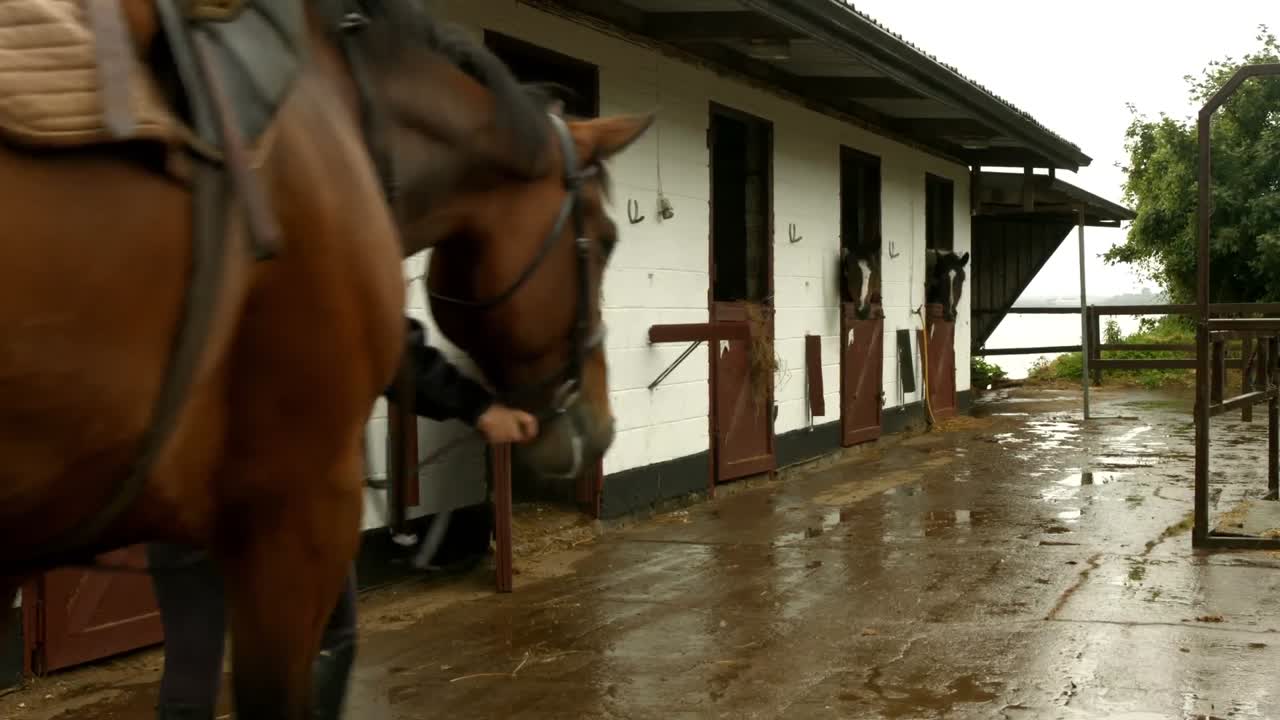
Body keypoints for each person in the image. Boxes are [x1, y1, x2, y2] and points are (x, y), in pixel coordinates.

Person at [149, 317, 537, 720]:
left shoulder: (170, 260)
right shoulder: (312, 258)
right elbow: (382, 340)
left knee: (192, 660)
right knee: (323, 642)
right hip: (288, 495)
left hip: (184, 481)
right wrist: (478, 408)